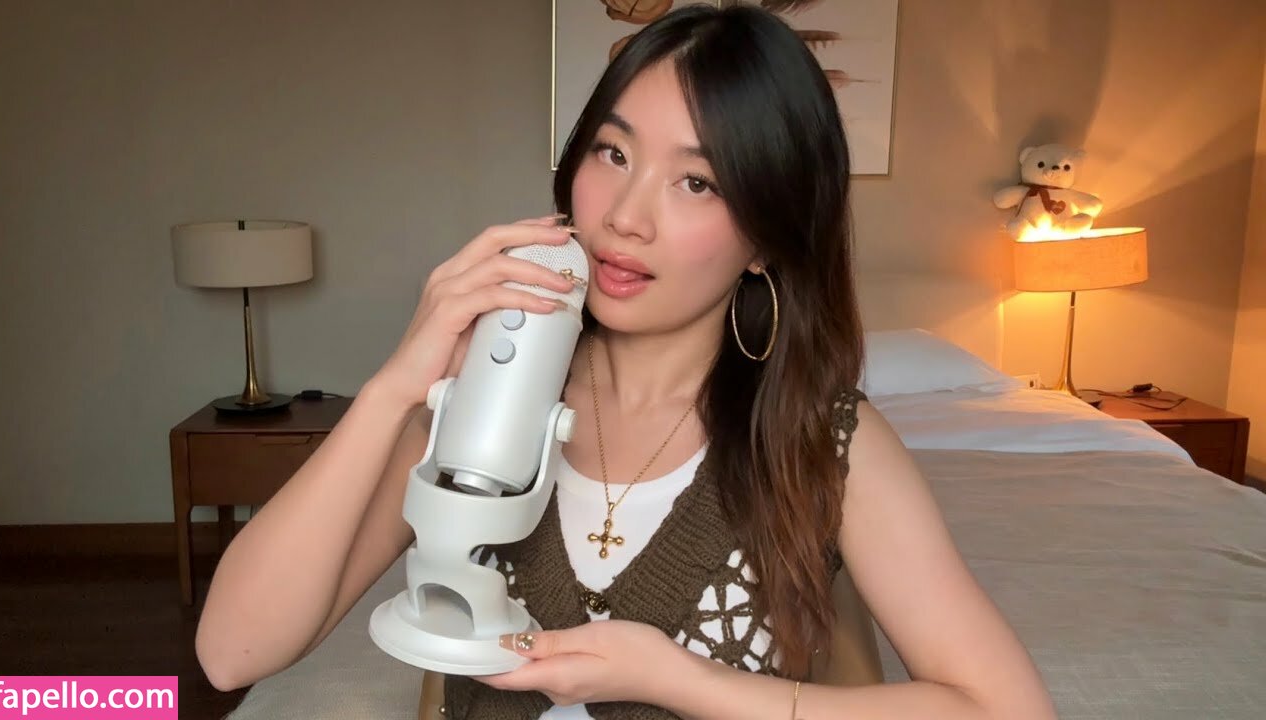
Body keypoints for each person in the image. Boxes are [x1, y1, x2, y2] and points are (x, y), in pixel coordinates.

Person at [196, 5, 1057, 719]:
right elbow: (232, 652)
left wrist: (680, 680)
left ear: (766, 235)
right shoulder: (481, 400)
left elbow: (1005, 709)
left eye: (697, 182)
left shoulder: (825, 443)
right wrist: (396, 388)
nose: (624, 217)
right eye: (613, 153)